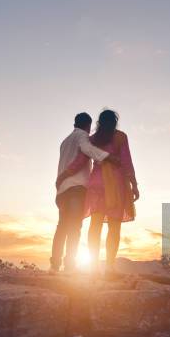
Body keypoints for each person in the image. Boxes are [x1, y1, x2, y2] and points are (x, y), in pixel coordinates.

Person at [57, 109, 139, 276]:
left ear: (99, 123)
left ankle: (94, 267)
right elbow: (126, 162)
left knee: (95, 226)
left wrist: (63, 175)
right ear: (115, 122)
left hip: (95, 185)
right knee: (114, 227)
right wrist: (134, 184)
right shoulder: (121, 137)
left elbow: (79, 162)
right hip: (115, 186)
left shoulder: (93, 139)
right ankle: (109, 267)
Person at [51, 112, 120, 274]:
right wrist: (108, 157)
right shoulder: (83, 136)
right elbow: (87, 149)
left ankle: (54, 265)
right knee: (75, 227)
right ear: (88, 126)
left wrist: (61, 178)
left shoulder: (64, 141)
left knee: (62, 227)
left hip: (62, 190)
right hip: (76, 187)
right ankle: (69, 266)